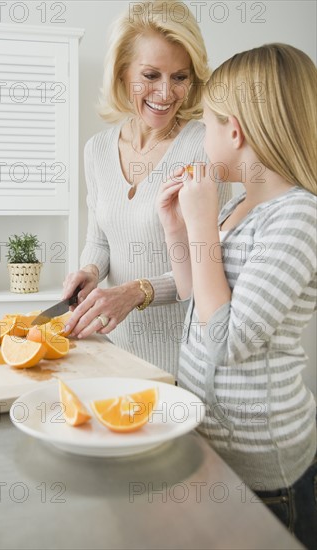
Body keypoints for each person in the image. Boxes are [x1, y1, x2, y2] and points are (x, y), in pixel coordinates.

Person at [157, 43, 316, 548]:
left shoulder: (297, 218)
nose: (201, 138)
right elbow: (197, 300)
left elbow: (228, 340)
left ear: (236, 130)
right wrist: (177, 228)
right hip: (212, 448)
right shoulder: (238, 206)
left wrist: (203, 220)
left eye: (205, 124)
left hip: (264, 473)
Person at [62, 0, 231, 377]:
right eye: (151, 75)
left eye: (180, 77)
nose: (166, 93)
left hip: (184, 362)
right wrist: (89, 270)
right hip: (114, 356)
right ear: (123, 74)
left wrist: (135, 292)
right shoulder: (98, 150)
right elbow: (101, 239)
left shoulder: (206, 147)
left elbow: (210, 266)